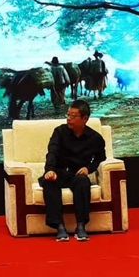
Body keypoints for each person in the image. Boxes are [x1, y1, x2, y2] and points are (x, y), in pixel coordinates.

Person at [40, 99, 106, 241]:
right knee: (49, 182)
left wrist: (88, 168)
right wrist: (49, 170)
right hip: (58, 171)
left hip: (77, 174)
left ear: (85, 119)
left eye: (73, 116)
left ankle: (81, 226)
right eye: (68, 115)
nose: (69, 119)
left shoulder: (95, 138)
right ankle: (59, 226)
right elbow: (52, 152)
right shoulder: (59, 132)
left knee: (83, 182)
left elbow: (101, 158)